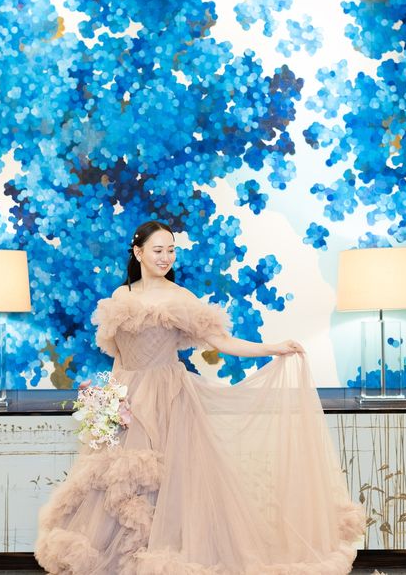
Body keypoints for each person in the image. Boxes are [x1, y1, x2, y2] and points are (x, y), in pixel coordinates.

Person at [35, 220, 365, 575]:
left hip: (167, 398)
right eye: (158, 250)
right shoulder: (121, 297)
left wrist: (272, 348)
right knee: (117, 481)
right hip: (127, 398)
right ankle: (124, 560)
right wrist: (109, 400)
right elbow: (119, 355)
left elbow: (223, 342)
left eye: (171, 250)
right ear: (138, 252)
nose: (166, 257)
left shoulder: (180, 298)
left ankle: (163, 558)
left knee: (171, 481)